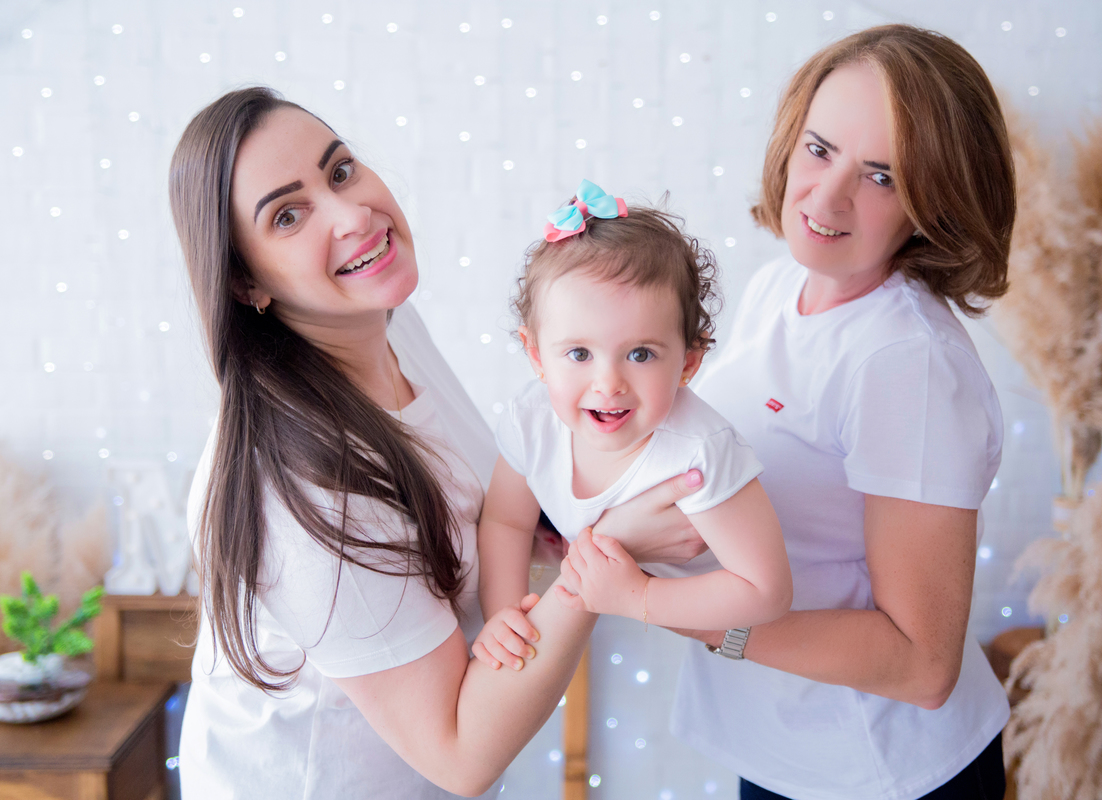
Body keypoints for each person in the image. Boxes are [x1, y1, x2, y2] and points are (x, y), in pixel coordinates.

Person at [169, 87, 704, 799]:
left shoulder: (383, 321)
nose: (354, 214)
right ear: (244, 280)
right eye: (289, 215)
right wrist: (608, 554)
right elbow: (460, 754)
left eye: (340, 171)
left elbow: (471, 503)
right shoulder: (301, 488)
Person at [630, 24, 1014, 800]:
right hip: (781, 743)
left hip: (877, 768)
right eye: (819, 149)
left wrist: (697, 619)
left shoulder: (905, 366)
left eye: (881, 176)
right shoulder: (783, 284)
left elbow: (922, 665)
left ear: (932, 202)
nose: (827, 197)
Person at [473, 182, 791, 670]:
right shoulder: (531, 419)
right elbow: (506, 521)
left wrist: (638, 596)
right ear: (536, 355)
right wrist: (502, 613)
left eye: (640, 353)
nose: (609, 383)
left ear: (688, 362)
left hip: (753, 636)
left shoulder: (698, 451)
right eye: (579, 353)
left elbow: (766, 591)